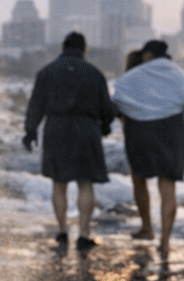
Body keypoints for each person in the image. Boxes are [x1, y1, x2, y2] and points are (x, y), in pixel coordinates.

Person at [23, 31, 115, 252]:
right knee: (85, 183)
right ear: (84, 49)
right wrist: (105, 125)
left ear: (63, 47)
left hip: (56, 128)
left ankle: (63, 231)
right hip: (86, 128)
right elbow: (107, 107)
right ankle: (83, 235)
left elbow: (36, 105)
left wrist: (30, 131)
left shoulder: (47, 72)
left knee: (59, 182)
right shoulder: (95, 73)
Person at [110, 40, 184, 254]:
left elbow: (117, 100)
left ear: (149, 54)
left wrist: (108, 122)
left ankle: (147, 228)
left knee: (139, 179)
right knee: (168, 186)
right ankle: (165, 241)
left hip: (139, 130)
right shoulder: (178, 73)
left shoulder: (134, 74)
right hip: (171, 130)